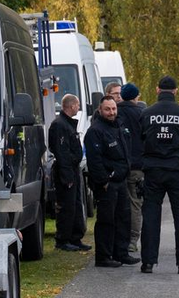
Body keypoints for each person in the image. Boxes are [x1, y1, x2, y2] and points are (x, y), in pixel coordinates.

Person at [139, 75, 179, 274]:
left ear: (157, 90)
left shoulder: (146, 113)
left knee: (151, 216)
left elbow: (141, 139)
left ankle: (148, 262)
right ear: (175, 91)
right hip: (177, 169)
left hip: (153, 169)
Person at [84, 95, 134, 268]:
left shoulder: (119, 126)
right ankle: (103, 256)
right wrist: (104, 181)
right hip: (107, 184)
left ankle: (121, 253)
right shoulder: (95, 131)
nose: (111, 112)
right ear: (100, 110)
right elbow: (94, 160)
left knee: (123, 218)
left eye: (113, 108)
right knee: (106, 220)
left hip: (121, 180)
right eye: (108, 109)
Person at [47, 94, 89, 252]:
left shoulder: (67, 124)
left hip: (72, 169)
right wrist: (67, 176)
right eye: (77, 105)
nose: (78, 108)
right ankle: (63, 239)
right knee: (67, 206)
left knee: (76, 204)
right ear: (71, 106)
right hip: (66, 170)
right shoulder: (60, 125)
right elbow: (61, 152)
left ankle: (75, 237)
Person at [117, 83, 147, 255]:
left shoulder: (115, 112)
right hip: (136, 165)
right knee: (135, 203)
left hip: (119, 164)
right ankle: (133, 240)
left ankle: (119, 237)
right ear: (136, 96)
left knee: (119, 203)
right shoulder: (141, 113)